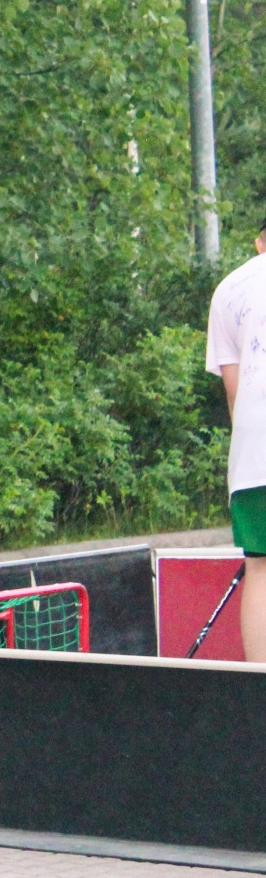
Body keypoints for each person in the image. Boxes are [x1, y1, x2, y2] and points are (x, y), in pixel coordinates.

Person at [206, 222, 266, 661]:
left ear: (260, 241)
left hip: (254, 454)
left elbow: (234, 393)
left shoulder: (229, 288)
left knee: (260, 570)